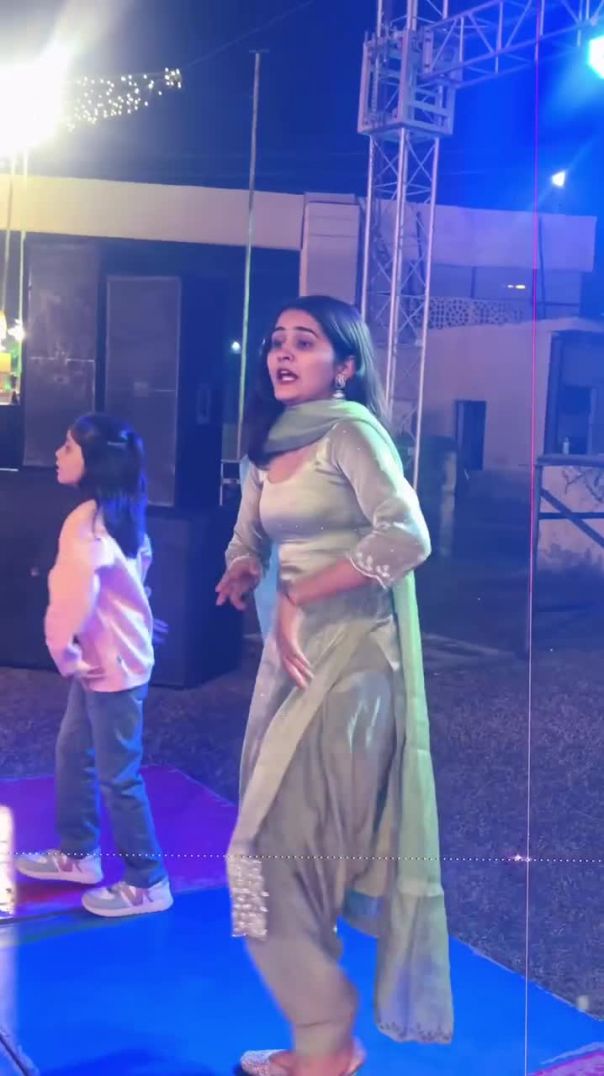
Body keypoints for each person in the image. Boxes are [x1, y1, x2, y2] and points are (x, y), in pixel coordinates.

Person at [216, 296, 453, 1076]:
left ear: (344, 366)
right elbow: (251, 531)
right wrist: (242, 566)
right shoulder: (269, 444)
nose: (283, 353)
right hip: (288, 668)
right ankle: (323, 1041)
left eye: (306, 342)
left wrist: (297, 596)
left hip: (351, 666)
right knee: (284, 852)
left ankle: (327, 1032)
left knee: (266, 850)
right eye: (276, 341)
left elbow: (408, 535)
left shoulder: (352, 433)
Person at [16, 413, 172, 919]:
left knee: (118, 776)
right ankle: (78, 853)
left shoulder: (86, 522)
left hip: (110, 668)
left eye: (68, 447)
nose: (58, 454)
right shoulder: (117, 513)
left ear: (95, 461)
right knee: (73, 752)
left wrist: (63, 651)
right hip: (107, 661)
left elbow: (71, 595)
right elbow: (130, 581)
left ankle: (148, 882)